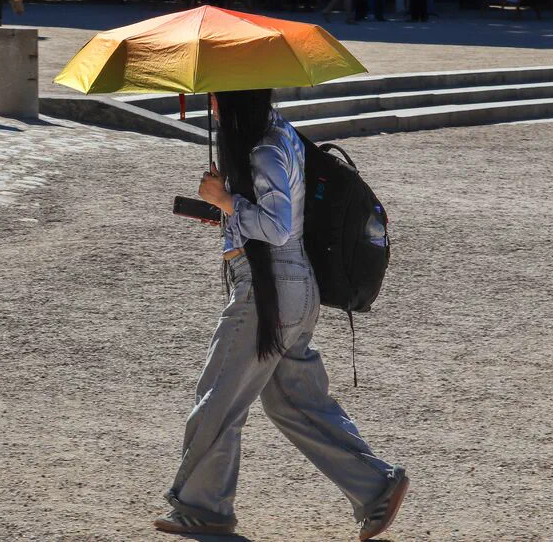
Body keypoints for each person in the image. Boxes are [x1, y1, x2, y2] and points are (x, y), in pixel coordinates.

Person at [154, 89, 409, 541]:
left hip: (267, 292)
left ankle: (202, 507)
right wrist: (226, 206)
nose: (211, 106)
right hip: (295, 290)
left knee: (219, 398)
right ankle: (375, 487)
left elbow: (275, 226)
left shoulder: (264, 148)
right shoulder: (281, 134)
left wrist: (226, 201)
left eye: (215, 98)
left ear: (233, 100)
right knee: (294, 403)